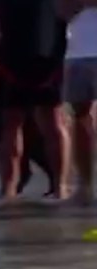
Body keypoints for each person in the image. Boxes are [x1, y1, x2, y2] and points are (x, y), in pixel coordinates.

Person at [0, 0, 70, 202]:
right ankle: (10, 187)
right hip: (21, 53)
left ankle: (59, 186)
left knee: (48, 120)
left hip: (47, 52)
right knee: (15, 122)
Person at [57, 0, 97, 204]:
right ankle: (85, 185)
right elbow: (60, 11)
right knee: (81, 116)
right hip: (77, 52)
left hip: (81, 54)